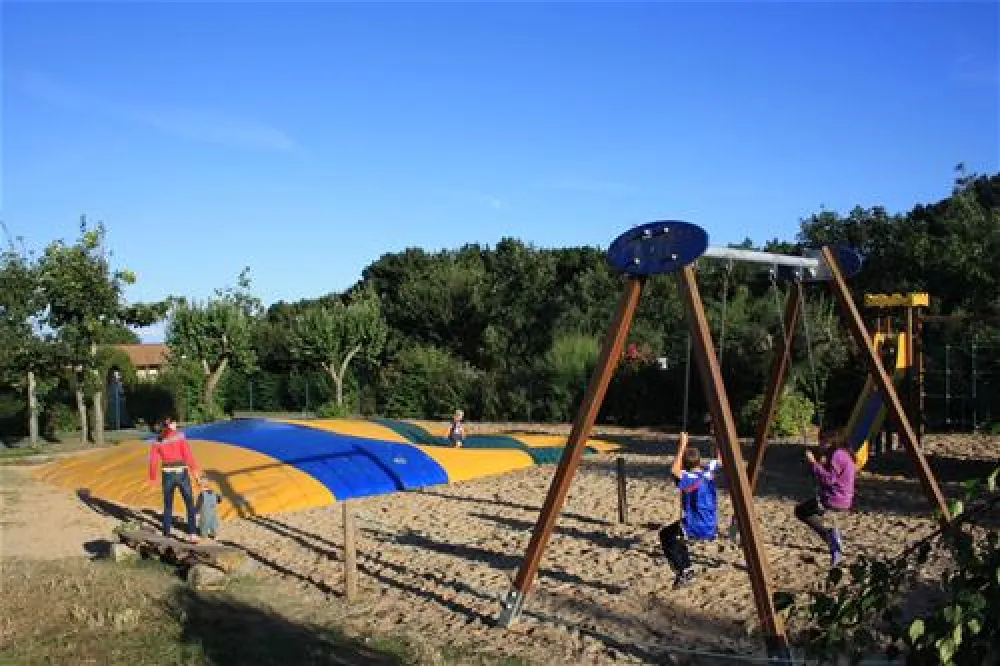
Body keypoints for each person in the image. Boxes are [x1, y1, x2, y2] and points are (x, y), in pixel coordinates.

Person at [659, 431, 722, 589]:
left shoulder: (688, 478)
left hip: (695, 524)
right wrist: (718, 440)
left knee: (665, 535)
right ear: (699, 462)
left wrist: (682, 445)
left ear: (684, 464)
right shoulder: (708, 473)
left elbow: (674, 470)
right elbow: (719, 460)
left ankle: (684, 571)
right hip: (711, 524)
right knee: (676, 536)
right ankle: (687, 570)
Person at [794, 427, 856, 567]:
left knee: (801, 511)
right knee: (808, 511)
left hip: (834, 499)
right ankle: (831, 538)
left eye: (821, 441)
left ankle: (830, 537)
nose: (819, 444)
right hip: (843, 498)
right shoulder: (844, 453)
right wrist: (822, 465)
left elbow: (829, 479)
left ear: (830, 441)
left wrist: (813, 463)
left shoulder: (837, 455)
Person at [148, 417, 202, 543]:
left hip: (167, 475)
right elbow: (188, 456)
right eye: (174, 422)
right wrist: (196, 475)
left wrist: (153, 478)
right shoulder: (180, 436)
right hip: (181, 473)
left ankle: (166, 534)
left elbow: (153, 461)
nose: (176, 424)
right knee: (189, 503)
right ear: (171, 424)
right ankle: (192, 534)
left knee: (168, 505)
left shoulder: (157, 440)